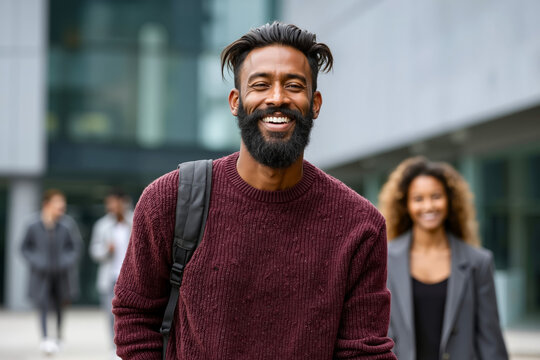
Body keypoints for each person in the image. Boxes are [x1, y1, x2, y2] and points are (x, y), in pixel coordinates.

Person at [112, 22, 396, 359]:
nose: (277, 98)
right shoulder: (170, 200)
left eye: (293, 85)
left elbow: (364, 351)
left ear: (314, 103)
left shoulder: (359, 225)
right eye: (260, 85)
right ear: (236, 101)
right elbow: (135, 316)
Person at [378, 156, 508, 360]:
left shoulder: (478, 262)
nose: (428, 206)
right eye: (418, 199)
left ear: (450, 200)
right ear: (405, 204)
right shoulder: (384, 258)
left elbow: (490, 339)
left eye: (436, 196)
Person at [20, 189, 82, 355]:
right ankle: (45, 338)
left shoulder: (67, 224)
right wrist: (37, 261)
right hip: (41, 275)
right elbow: (24, 248)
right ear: (47, 204)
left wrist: (65, 261)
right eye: (58, 202)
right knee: (43, 305)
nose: (62, 206)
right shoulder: (33, 224)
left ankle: (59, 337)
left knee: (61, 305)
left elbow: (75, 247)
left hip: (61, 274)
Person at [89, 188, 132, 358]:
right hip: (109, 277)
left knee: (129, 313)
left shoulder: (134, 221)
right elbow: (94, 251)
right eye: (109, 204)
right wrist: (106, 250)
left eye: (113, 203)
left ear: (123, 202)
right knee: (110, 313)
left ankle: (127, 344)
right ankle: (113, 346)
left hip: (129, 277)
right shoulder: (102, 225)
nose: (111, 207)